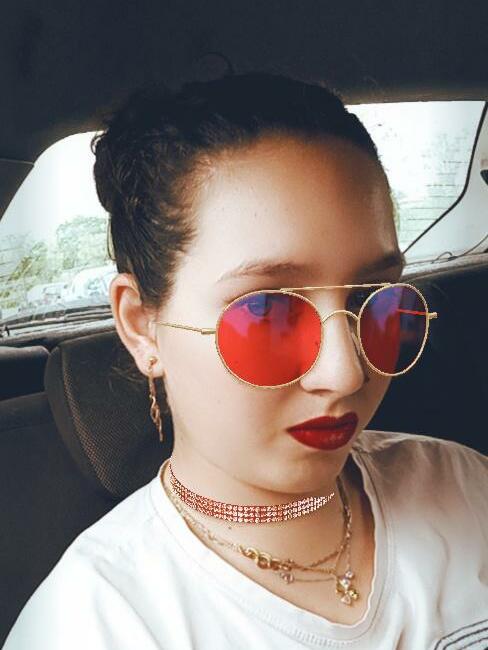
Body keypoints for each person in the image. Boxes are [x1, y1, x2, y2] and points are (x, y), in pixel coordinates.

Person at [3, 72, 488, 650]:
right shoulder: (95, 626)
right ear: (142, 326)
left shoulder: (465, 485)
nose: (346, 373)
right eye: (267, 314)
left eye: (374, 301)